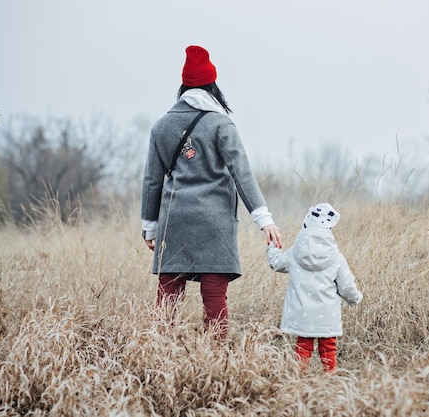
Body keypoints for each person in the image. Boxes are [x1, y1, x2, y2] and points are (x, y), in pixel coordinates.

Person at [141, 45, 282, 342]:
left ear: (183, 86)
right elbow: (242, 174)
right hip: (214, 224)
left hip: (173, 221)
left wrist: (150, 225)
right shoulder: (221, 124)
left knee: (167, 298)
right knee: (214, 298)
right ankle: (215, 362)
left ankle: (157, 356)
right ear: (212, 86)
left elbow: (152, 181)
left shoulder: (161, 127)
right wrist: (263, 218)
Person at [266, 203, 362, 372]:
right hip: (327, 315)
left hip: (302, 314)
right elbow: (346, 287)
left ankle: (300, 376)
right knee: (328, 347)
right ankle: (328, 376)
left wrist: (273, 245)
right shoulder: (336, 258)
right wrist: (355, 298)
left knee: (303, 345)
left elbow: (276, 263)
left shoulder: (295, 253)